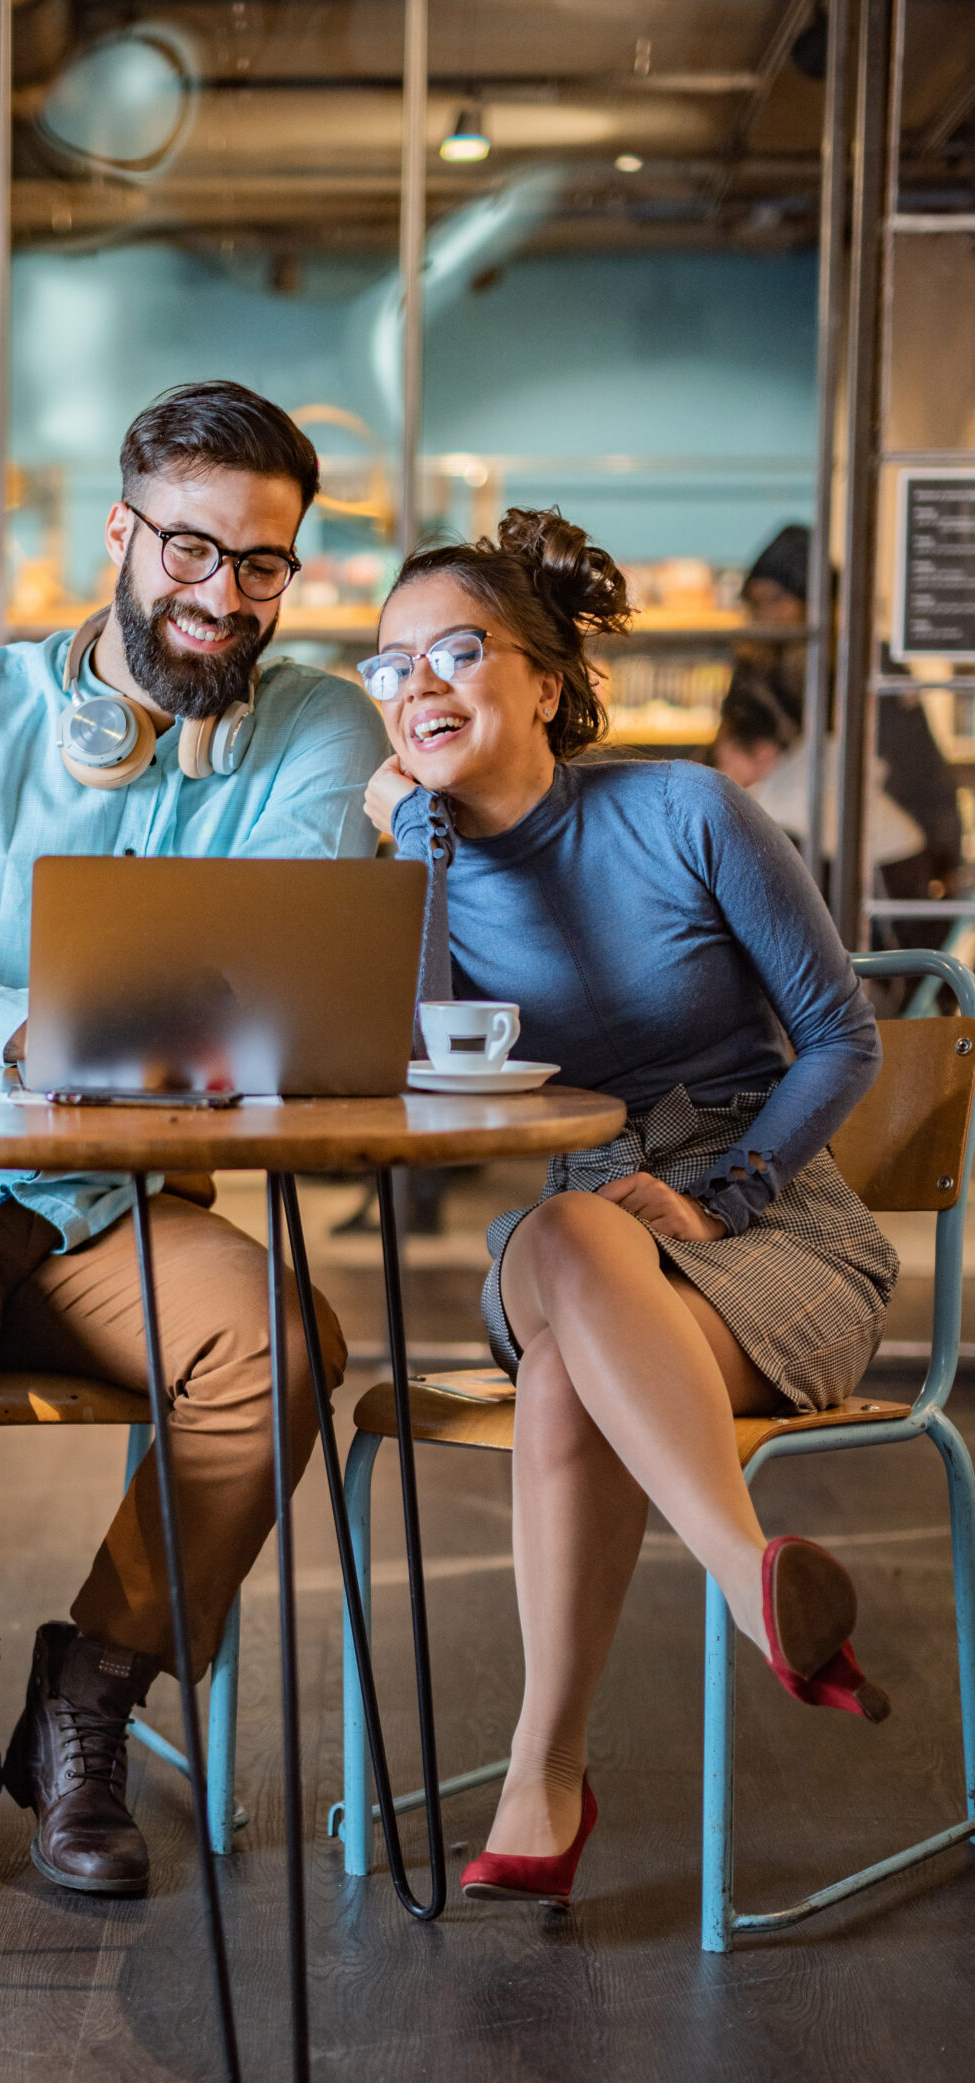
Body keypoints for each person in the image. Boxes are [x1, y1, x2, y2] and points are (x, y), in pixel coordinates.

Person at [0, 380, 385, 1900]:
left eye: (261, 565)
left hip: (111, 1206)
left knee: (286, 1347)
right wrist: (4, 1024)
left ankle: (90, 1696)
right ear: (121, 532)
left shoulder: (315, 727)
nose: (221, 597)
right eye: (190, 550)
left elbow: (292, 962)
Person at [361, 508, 898, 1908]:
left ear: (544, 680)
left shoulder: (688, 812)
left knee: (560, 1383)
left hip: (767, 1218)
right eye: (389, 664)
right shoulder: (420, 866)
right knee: (573, 1231)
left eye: (456, 651)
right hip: (576, 1219)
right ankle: (745, 1570)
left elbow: (844, 1036)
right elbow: (425, 1083)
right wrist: (415, 863)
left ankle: (544, 1769)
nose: (417, 685)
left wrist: (729, 1191)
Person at [725, 522, 963, 933]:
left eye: (778, 600)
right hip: (819, 850)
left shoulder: (869, 669)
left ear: (816, 601)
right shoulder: (757, 666)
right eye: (757, 603)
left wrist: (950, 860)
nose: (767, 616)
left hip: (880, 861)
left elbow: (920, 772)